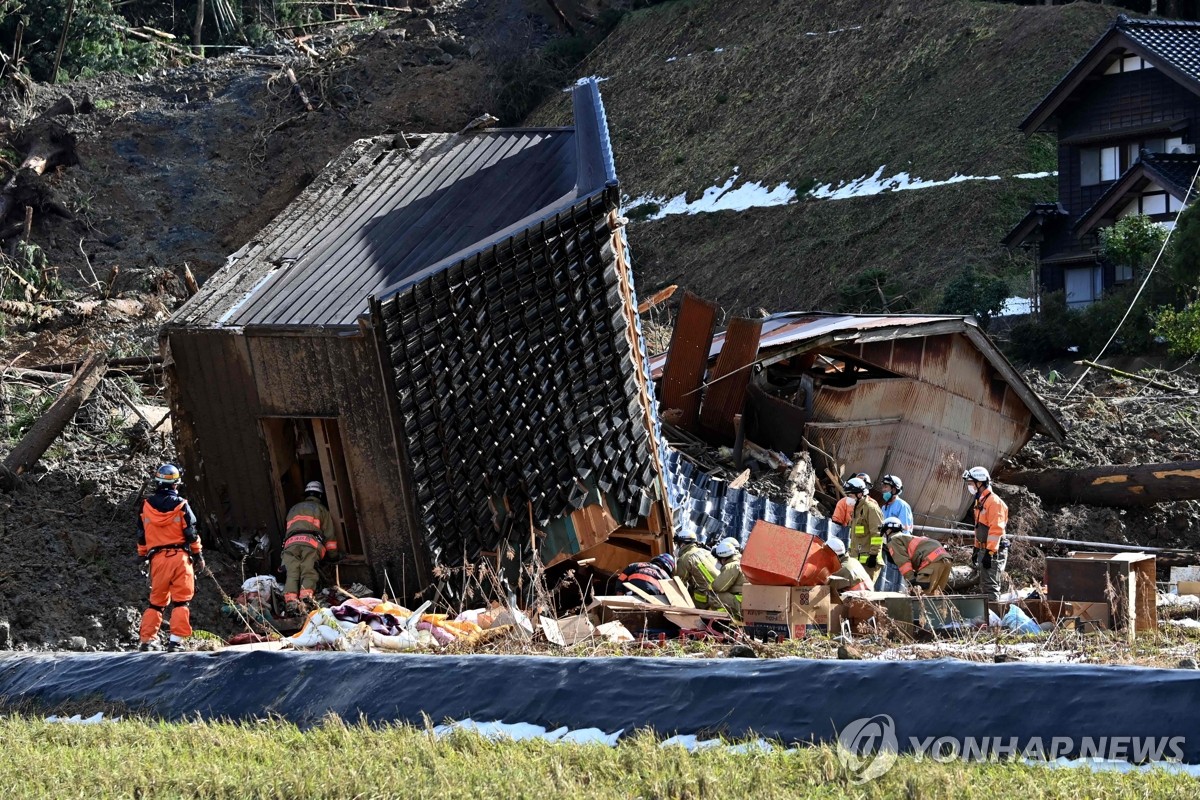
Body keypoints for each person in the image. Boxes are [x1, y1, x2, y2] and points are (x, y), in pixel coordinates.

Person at [138, 464, 203, 652]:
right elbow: (191, 533)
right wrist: (198, 555)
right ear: (176, 484)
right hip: (180, 559)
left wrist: (142, 556)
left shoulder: (146, 506)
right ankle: (175, 642)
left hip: (157, 560)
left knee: (156, 602)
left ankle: (147, 641)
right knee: (181, 601)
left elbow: (141, 536)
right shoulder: (182, 505)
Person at [281, 481, 341, 615]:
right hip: (310, 544)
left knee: (292, 572)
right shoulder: (321, 510)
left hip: (290, 544)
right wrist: (333, 556)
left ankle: (290, 603)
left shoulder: (293, 509)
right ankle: (305, 602)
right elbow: (330, 536)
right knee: (308, 572)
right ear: (320, 496)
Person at [964, 466, 1009, 601]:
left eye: (971, 483)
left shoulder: (994, 502)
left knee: (991, 587)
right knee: (985, 585)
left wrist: (989, 553)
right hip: (985, 549)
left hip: (993, 552)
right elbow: (979, 527)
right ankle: (989, 616)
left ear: (980, 483)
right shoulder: (981, 501)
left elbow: (996, 530)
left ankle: (994, 618)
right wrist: (976, 548)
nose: (970, 486)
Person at [880, 517, 951, 595]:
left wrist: (911, 581)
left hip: (931, 561)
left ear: (888, 530)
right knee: (935, 596)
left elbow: (903, 562)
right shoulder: (905, 537)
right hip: (946, 559)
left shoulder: (893, 539)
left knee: (919, 594)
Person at [875, 474, 913, 591]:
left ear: (894, 489)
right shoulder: (884, 507)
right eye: (883, 487)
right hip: (884, 546)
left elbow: (905, 531)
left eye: (886, 487)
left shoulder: (902, 506)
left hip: (897, 547)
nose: (883, 490)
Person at [844, 476, 884, 584]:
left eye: (850, 495)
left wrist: (873, 555)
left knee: (865, 593)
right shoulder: (856, 509)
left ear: (860, 494)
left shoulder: (871, 508)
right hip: (857, 560)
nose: (848, 498)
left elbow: (877, 534)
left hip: (869, 562)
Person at [674, 529, 720, 608]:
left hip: (708, 598)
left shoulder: (685, 559)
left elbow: (680, 585)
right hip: (721, 593)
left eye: (677, 544)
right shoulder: (706, 552)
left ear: (682, 544)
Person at [710, 537, 745, 619]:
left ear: (723, 559)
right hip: (746, 601)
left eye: (718, 559)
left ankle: (723, 620)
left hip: (742, 603)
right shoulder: (740, 560)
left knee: (716, 596)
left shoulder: (731, 566)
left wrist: (711, 586)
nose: (717, 561)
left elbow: (718, 587)